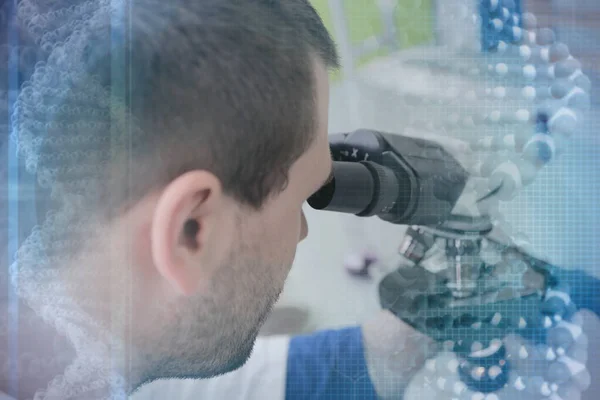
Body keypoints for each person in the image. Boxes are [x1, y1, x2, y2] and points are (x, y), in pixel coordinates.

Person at [0, 0, 596, 399]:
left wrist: (431, 326)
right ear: (191, 230)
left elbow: (241, 387)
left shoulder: (87, 352)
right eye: (303, 199)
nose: (305, 230)